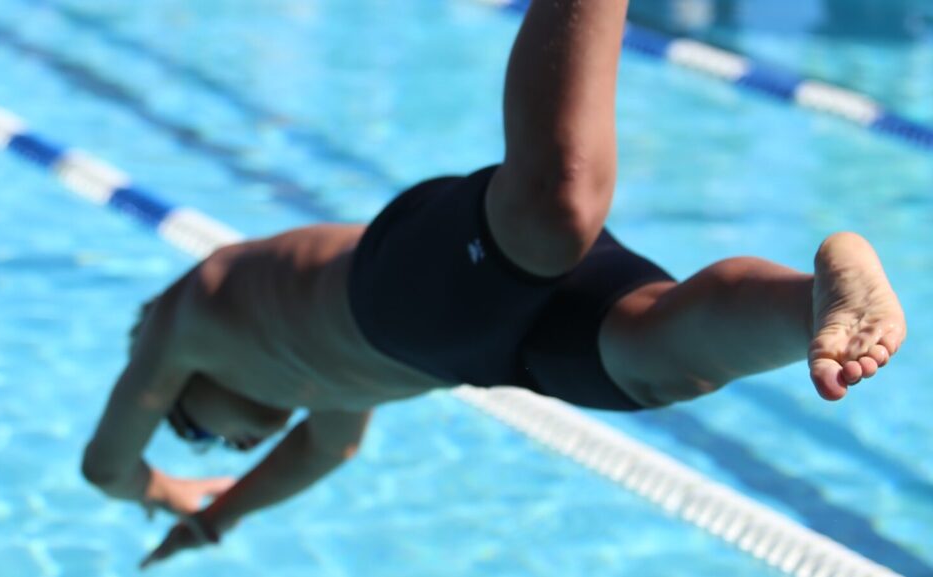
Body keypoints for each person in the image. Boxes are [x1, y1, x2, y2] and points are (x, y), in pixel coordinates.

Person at [81, 0, 907, 569]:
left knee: (557, 206)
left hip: (402, 291)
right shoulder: (314, 380)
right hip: (474, 345)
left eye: (199, 432)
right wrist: (219, 517)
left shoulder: (187, 317)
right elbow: (328, 446)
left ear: (180, 388)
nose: (234, 444)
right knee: (660, 355)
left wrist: (161, 486)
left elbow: (104, 467)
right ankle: (811, 302)